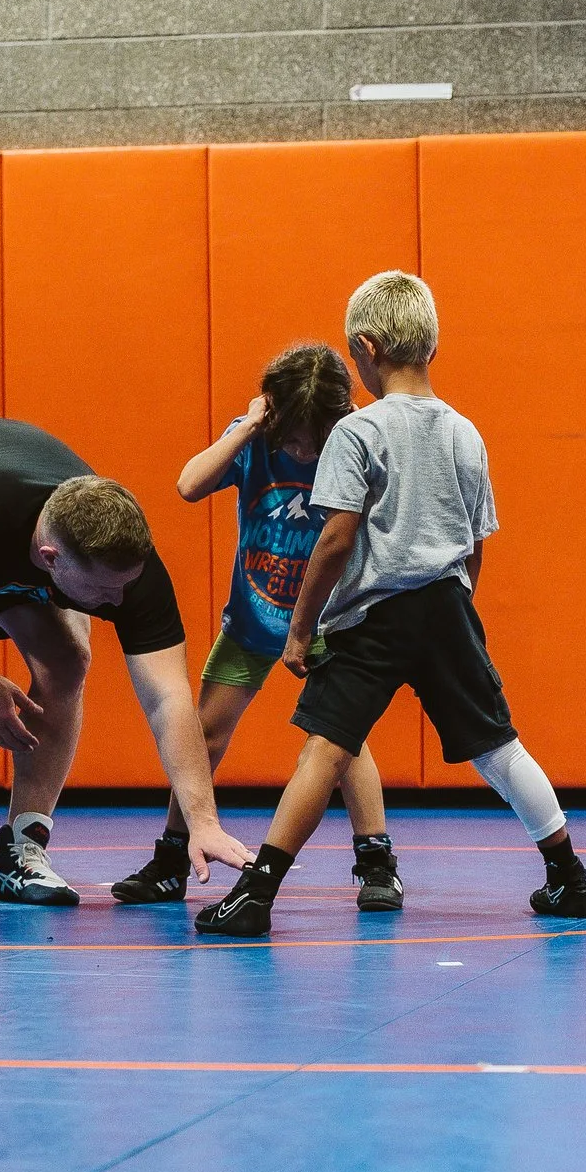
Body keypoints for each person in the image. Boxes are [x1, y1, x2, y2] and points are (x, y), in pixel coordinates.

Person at [192, 271, 586, 938]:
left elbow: (335, 539)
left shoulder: (358, 433)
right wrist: (460, 603)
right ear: (432, 347)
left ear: (365, 347)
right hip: (445, 606)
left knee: (325, 751)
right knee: (499, 748)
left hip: (373, 617)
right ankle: (570, 878)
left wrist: (300, 630)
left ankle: (256, 895)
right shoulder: (466, 432)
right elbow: (475, 542)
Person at [0, 415, 249, 908]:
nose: (117, 602)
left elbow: (168, 697)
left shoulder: (130, 572)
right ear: (52, 559)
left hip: (5, 536)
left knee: (68, 661)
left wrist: (202, 820)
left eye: (124, 585)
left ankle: (23, 849)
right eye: (102, 591)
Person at [110, 344, 399, 909]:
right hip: (254, 618)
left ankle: (377, 864)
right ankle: (173, 856)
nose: (301, 452)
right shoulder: (256, 442)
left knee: (341, 744)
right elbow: (189, 485)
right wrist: (248, 428)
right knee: (202, 736)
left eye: (313, 443)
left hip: (328, 622)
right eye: (291, 440)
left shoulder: (356, 443)